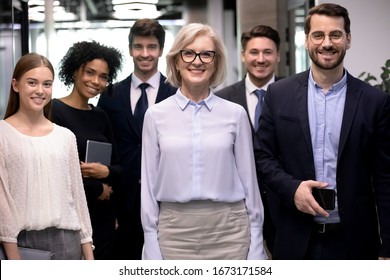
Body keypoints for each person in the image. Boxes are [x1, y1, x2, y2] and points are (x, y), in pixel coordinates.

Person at [254, 3, 390, 260]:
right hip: (295, 237)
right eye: (318, 35)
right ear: (306, 41)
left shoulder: (375, 102)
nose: (327, 43)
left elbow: (385, 178)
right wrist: (292, 189)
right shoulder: (278, 94)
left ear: (348, 40)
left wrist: (388, 246)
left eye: (335, 35)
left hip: (355, 242)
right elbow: (262, 157)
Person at [141, 23, 266, 260]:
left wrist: (257, 243)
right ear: (176, 60)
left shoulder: (235, 114)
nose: (197, 61)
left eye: (206, 54)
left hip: (230, 231)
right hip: (174, 232)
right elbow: (148, 186)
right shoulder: (155, 116)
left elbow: (250, 182)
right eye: (188, 53)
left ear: (216, 61)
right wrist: (150, 242)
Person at [0, 53, 94, 260]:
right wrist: (13, 259)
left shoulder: (65, 137)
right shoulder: (2, 135)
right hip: (23, 245)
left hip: (69, 244)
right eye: (32, 83)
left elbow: (78, 198)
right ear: (15, 85)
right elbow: (2, 203)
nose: (40, 91)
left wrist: (89, 255)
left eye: (47, 84)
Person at [97, 18, 177, 260]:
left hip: (166, 198)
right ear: (130, 49)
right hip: (121, 201)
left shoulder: (176, 93)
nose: (144, 54)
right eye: (138, 47)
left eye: (151, 47)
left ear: (161, 50)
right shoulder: (110, 95)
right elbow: (105, 146)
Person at [51, 41, 123, 260]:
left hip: (102, 218)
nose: (96, 81)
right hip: (70, 219)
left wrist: (106, 172)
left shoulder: (100, 115)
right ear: (74, 70)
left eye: (103, 76)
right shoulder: (54, 111)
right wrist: (95, 187)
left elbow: (119, 168)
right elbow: (55, 171)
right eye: (90, 72)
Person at [215, 24, 281, 255]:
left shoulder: (292, 95)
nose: (260, 59)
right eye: (254, 52)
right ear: (243, 55)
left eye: (268, 52)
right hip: (236, 208)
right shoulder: (222, 100)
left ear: (278, 56)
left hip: (284, 205)